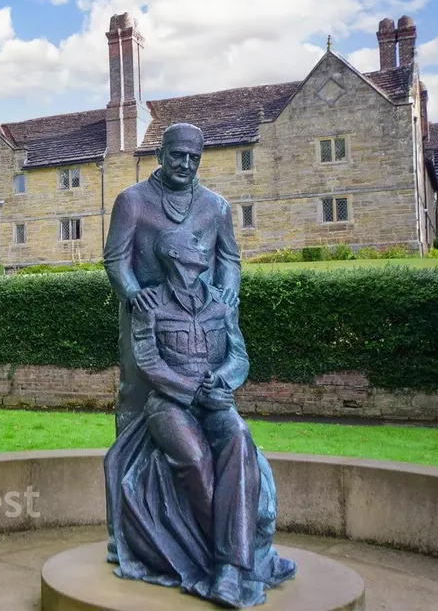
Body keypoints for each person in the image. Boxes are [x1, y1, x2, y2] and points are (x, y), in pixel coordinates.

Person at [104, 227, 296, 608]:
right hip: (169, 405)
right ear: (174, 255)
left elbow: (238, 356)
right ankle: (237, 560)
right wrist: (191, 389)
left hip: (215, 402)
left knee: (239, 438)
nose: (202, 249)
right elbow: (148, 362)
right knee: (193, 458)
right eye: (193, 245)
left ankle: (229, 569)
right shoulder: (150, 304)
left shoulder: (222, 304)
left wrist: (222, 381)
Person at [104, 123, 241, 436]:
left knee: (209, 388)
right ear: (159, 154)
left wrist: (227, 297)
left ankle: (210, 462)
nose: (186, 164)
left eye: (194, 157)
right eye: (178, 155)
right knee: (136, 390)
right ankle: (129, 469)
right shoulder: (132, 201)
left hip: (200, 313)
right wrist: (134, 293)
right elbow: (116, 258)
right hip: (146, 310)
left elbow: (229, 258)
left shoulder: (216, 206)